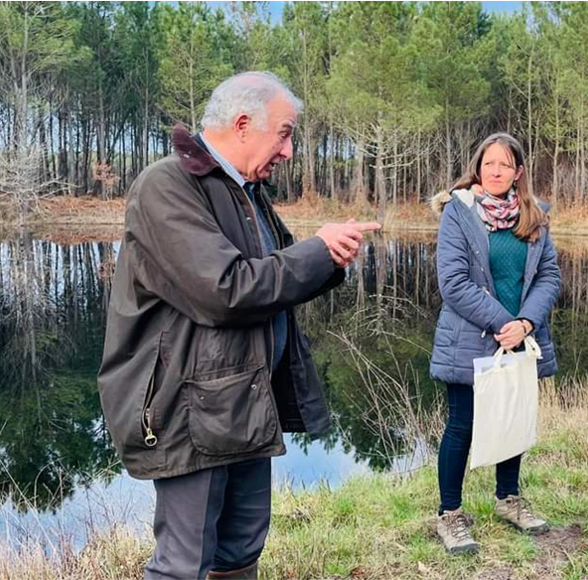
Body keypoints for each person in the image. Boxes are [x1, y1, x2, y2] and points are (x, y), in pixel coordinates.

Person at [98, 71, 380, 579]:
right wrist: (316, 251)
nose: (289, 151)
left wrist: (328, 258)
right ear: (244, 124)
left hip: (244, 401)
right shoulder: (167, 185)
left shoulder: (247, 191)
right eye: (286, 133)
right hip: (187, 407)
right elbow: (225, 290)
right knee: (184, 563)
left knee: (242, 549)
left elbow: (277, 279)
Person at [427, 133, 562, 554]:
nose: (497, 171)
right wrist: (506, 322)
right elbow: (452, 282)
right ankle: (449, 516)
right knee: (462, 427)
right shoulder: (459, 213)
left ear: (518, 172)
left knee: (512, 421)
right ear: (478, 169)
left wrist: (525, 322)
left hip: (520, 337)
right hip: (469, 337)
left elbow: (548, 277)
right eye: (490, 164)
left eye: (505, 164)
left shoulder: (534, 216)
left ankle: (509, 500)